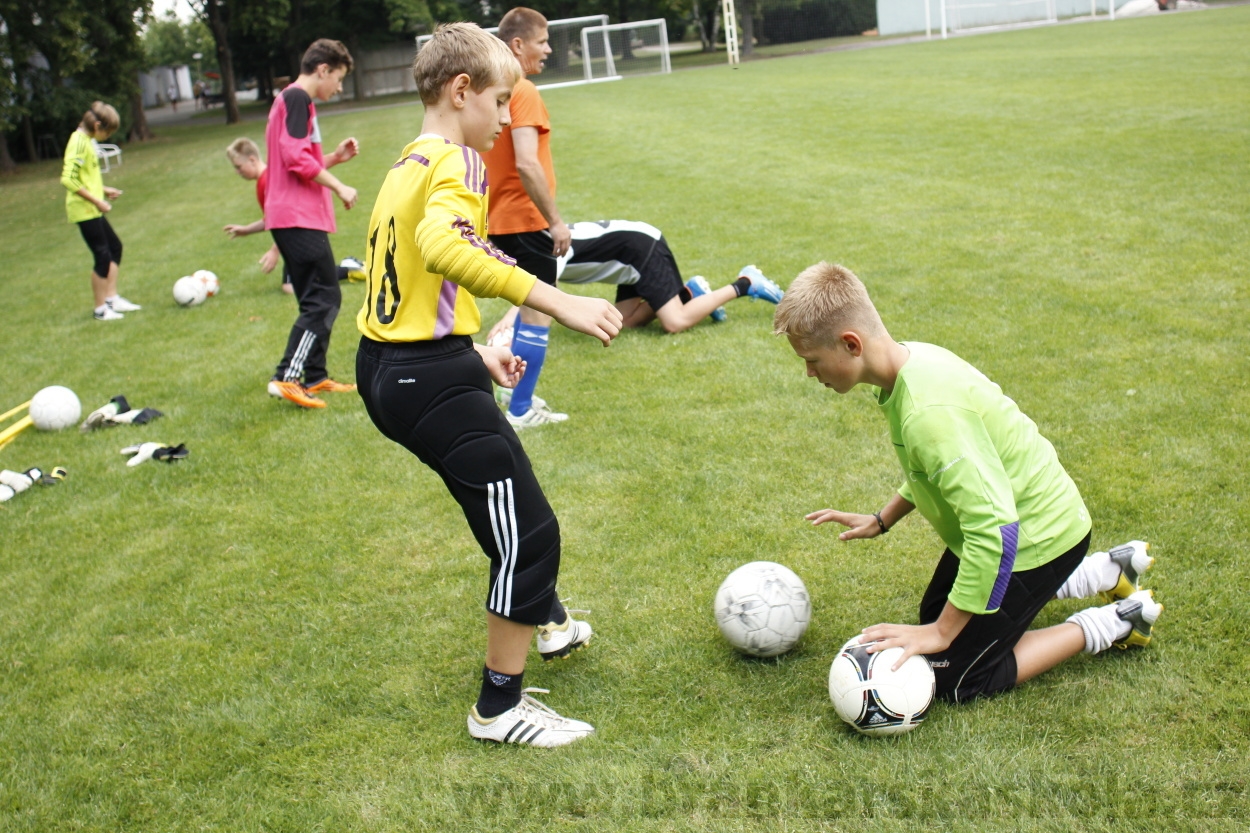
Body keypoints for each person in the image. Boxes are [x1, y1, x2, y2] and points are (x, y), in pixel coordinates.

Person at [355, 22, 623, 746]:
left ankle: (552, 623)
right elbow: (444, 246)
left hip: (395, 365)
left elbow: (402, 278)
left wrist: (469, 352)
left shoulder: (407, 160)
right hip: (422, 378)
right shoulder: (459, 162)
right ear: (460, 90)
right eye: (500, 102)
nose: (506, 120)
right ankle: (498, 708)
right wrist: (557, 299)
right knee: (530, 533)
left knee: (505, 496)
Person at [774, 262, 1163, 705]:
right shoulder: (911, 361)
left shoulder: (928, 412)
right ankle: (1103, 571)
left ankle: (1116, 622)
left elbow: (995, 531)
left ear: (850, 344)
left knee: (953, 677)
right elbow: (936, 470)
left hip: (1035, 539)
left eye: (811, 360)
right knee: (932, 620)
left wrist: (942, 633)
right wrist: (883, 519)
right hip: (1021, 524)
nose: (809, 373)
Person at [486, 219, 785, 371]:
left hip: (642, 249)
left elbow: (542, 289)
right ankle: (689, 293)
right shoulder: (523, 246)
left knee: (674, 322)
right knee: (623, 323)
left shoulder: (539, 247)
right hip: (627, 259)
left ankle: (744, 283)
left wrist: (511, 317)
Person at [478, 7, 571, 429]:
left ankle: (514, 389)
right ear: (517, 44)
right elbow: (528, 165)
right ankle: (520, 408)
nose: (548, 49)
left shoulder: (489, 89)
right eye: (542, 41)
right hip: (526, 220)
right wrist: (555, 220)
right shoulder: (523, 89)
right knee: (537, 317)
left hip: (497, 220)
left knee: (523, 309)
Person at [264, 39, 361, 409]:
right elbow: (293, 157)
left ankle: (314, 377)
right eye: (337, 78)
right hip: (295, 216)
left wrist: (334, 158)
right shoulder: (296, 99)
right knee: (323, 299)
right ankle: (287, 376)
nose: (338, 88)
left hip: (294, 214)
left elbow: (301, 158)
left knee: (317, 298)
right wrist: (339, 186)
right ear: (323, 69)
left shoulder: (294, 102)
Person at [223, 137, 365, 295]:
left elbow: (283, 220)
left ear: (252, 160)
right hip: (297, 232)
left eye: (239, 166)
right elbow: (271, 219)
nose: (237, 172)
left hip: (300, 231)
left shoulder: (267, 181)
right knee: (299, 283)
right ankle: (348, 268)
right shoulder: (269, 177)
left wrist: (274, 251)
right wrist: (246, 230)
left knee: (296, 286)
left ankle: (349, 269)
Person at [61, 102, 142, 321]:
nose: (106, 136)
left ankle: (111, 298)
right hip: (84, 209)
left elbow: (85, 177)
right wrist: (97, 201)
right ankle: (100, 310)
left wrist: (104, 190)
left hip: (93, 207)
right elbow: (68, 179)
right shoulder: (78, 142)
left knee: (115, 248)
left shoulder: (87, 140)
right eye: (107, 132)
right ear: (97, 125)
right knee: (102, 255)